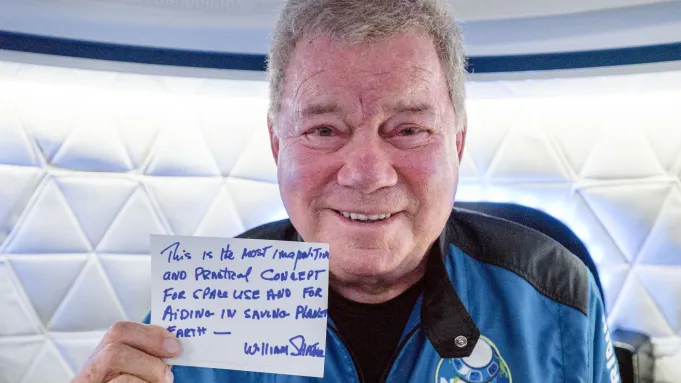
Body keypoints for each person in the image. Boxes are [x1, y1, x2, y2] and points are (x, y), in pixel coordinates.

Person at [73, 0, 621, 382]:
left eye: (408, 129)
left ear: (456, 143)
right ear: (276, 145)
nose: (366, 173)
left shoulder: (559, 298)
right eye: (324, 131)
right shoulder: (190, 324)